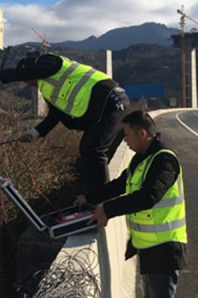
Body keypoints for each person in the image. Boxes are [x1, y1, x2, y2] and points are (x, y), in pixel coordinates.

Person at [75, 110, 187, 298]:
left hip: (165, 248)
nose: (125, 140)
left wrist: (108, 209)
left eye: (127, 135)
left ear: (142, 134)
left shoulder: (164, 160)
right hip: (149, 248)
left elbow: (148, 197)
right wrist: (90, 198)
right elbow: (120, 185)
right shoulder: (141, 158)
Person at [0, 51, 130, 190]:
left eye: (26, 79)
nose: (27, 84)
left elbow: (29, 72)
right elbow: (54, 116)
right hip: (101, 108)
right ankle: (92, 195)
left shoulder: (51, 62)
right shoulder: (48, 89)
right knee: (86, 149)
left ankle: (100, 198)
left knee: (94, 150)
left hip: (110, 100)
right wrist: (35, 132)